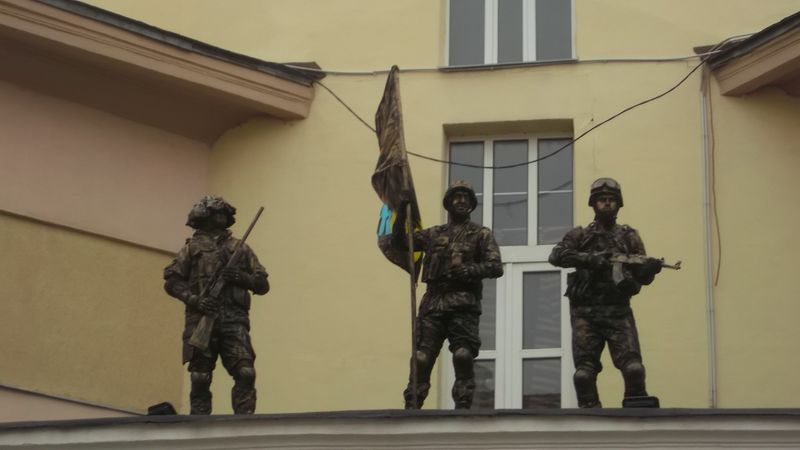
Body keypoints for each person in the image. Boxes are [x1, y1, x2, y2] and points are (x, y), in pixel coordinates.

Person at [549, 178, 663, 408]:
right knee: (583, 375)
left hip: (618, 311)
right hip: (585, 314)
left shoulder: (629, 237)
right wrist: (591, 259)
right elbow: (556, 256)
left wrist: (648, 271)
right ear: (593, 204)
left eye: (612, 200)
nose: (607, 204)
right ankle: (589, 415)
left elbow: (640, 277)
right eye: (602, 200)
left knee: (634, 369)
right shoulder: (580, 236)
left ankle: (637, 410)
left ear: (619, 205)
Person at [401, 181, 503, 409]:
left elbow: (496, 267)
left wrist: (469, 270)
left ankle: (464, 403)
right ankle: (412, 404)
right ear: (448, 203)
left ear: (471, 204)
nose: (461, 201)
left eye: (466, 197)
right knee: (420, 359)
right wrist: (401, 211)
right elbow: (401, 241)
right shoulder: (434, 234)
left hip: (463, 304)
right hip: (433, 304)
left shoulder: (480, 234)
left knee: (463, 355)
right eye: (456, 197)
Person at [163, 196, 269, 414]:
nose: (221, 216)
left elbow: (262, 284)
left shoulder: (240, 248)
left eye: (224, 213)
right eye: (216, 212)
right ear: (204, 216)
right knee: (200, 376)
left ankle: (244, 423)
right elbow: (172, 282)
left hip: (234, 319)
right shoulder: (192, 248)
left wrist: (239, 277)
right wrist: (196, 300)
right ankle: (198, 426)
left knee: (246, 372)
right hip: (201, 317)